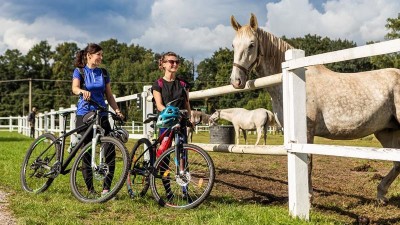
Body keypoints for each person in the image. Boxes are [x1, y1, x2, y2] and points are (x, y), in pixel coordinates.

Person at [71, 43, 124, 195]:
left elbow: (109, 95)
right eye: (98, 54)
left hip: (101, 114)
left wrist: (117, 110)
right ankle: (90, 189)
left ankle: (106, 189)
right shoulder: (80, 71)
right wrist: (81, 91)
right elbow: (74, 88)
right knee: (87, 151)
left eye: (101, 55)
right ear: (89, 55)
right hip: (85, 114)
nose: (101, 57)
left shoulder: (104, 73)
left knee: (109, 148)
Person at [151, 51, 193, 201]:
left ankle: (184, 189)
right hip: (167, 121)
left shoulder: (183, 84)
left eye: (176, 62)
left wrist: (190, 117)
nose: (174, 64)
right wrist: (171, 111)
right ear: (163, 64)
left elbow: (187, 103)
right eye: (171, 61)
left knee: (183, 154)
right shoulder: (158, 84)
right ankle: (168, 189)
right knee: (165, 156)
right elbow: (159, 105)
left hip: (181, 121)